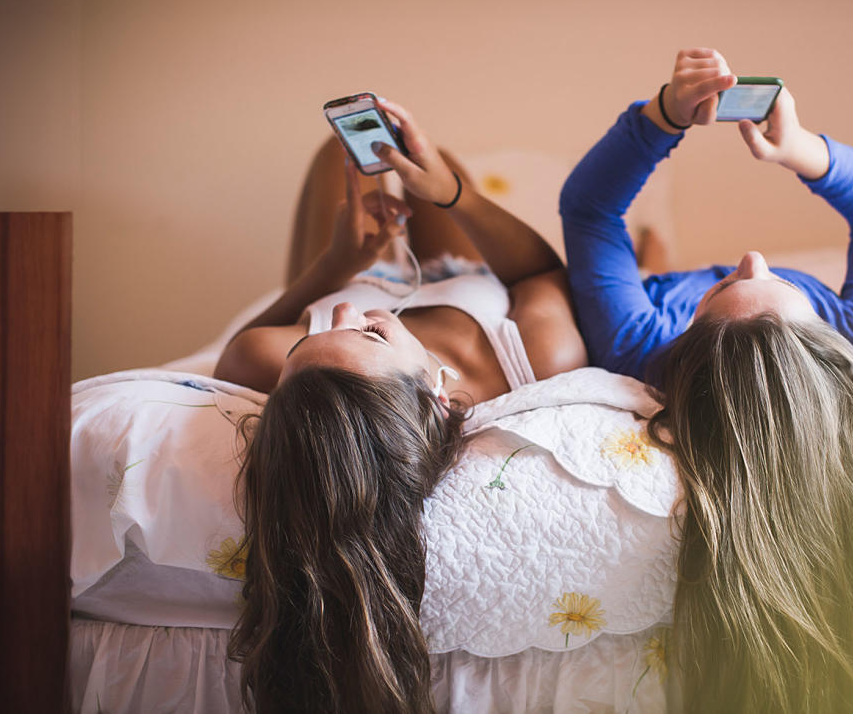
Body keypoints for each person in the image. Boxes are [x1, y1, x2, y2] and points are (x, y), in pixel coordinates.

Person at [559, 48, 853, 712]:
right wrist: (801, 151)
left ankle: (656, 254)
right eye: (776, 281)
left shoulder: (642, 343)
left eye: (734, 283)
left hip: (653, 290)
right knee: (646, 248)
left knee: (637, 254)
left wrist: (663, 118)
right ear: (824, 341)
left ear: (688, 341)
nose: (752, 257)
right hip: (672, 281)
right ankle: (657, 249)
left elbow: (589, 211)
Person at [217, 100, 587, 713]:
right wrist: (452, 195)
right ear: (435, 393)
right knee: (427, 164)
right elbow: (540, 270)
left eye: (308, 342)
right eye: (367, 335)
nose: (343, 315)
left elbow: (239, 346)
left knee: (341, 153)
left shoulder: (269, 354)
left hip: (350, 264)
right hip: (467, 277)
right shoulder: (536, 357)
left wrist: (336, 266)